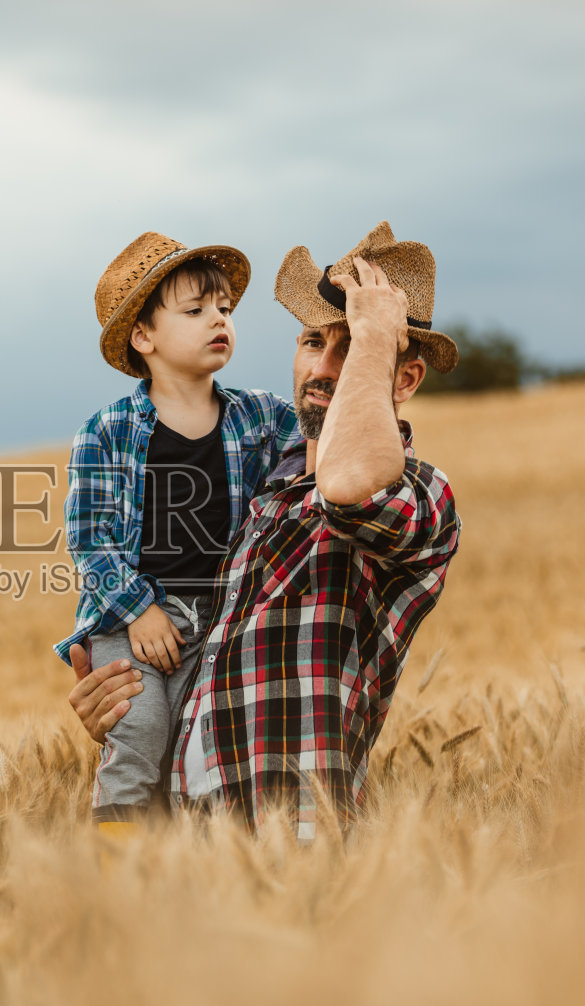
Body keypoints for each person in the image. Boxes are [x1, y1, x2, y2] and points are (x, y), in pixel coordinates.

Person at [67, 222, 462, 840]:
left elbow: (350, 483)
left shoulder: (418, 496)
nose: (324, 367)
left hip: (289, 856)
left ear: (402, 377)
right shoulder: (263, 493)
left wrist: (379, 336)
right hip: (185, 868)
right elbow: (99, 541)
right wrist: (127, 712)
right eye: (312, 341)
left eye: (352, 348)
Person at [54, 232, 300, 836]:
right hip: (129, 625)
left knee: (200, 753)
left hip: (218, 623)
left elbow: (319, 454)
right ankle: (116, 867)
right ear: (145, 337)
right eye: (195, 311)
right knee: (140, 737)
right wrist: (140, 610)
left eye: (224, 310)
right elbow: (90, 538)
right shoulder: (106, 431)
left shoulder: (263, 417)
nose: (218, 320)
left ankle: (184, 876)